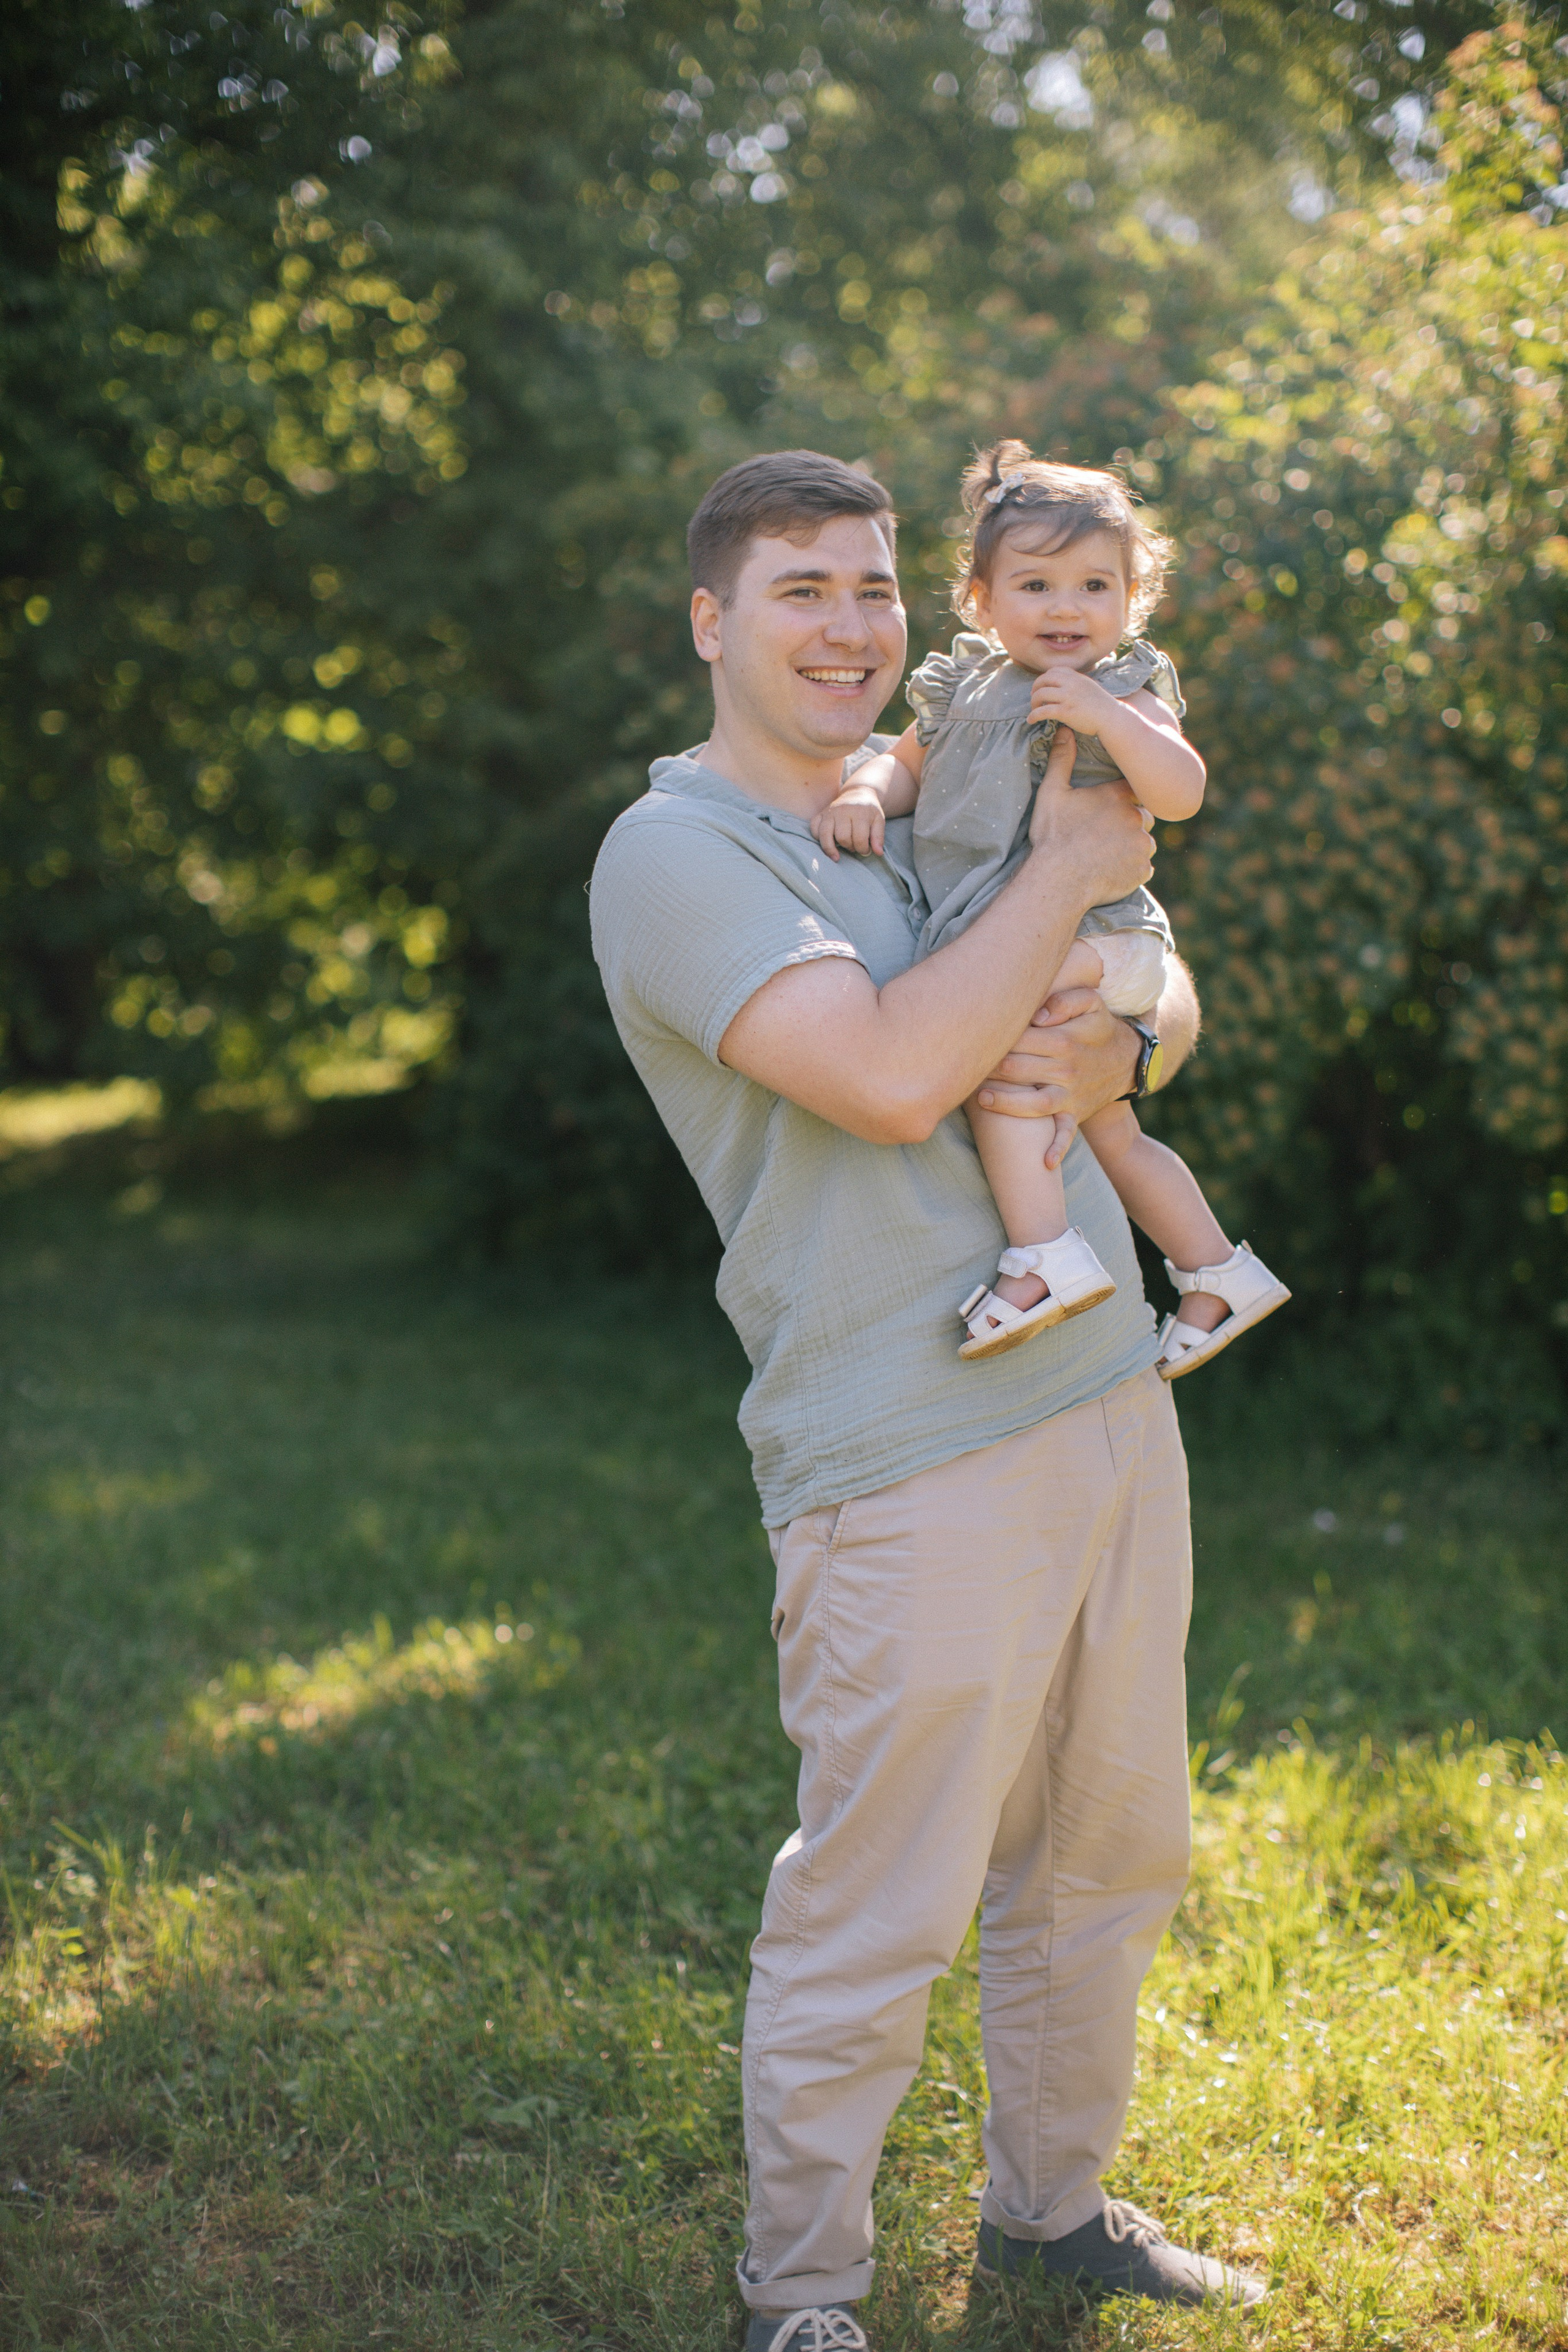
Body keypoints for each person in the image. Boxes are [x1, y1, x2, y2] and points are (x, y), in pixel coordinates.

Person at [589, 450, 1267, 2352]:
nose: (850, 626)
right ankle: (800, 2295)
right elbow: (893, 1074)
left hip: (1106, 1383)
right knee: (879, 1907)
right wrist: (1072, 871)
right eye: (802, 589)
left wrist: (1136, 1011)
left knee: (1108, 1858)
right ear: (713, 621)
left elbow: (1137, 994)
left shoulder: (956, 798)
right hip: (902, 1440)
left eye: (874, 588)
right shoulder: (684, 856)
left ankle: (1050, 2217)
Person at [812, 440, 1288, 1376]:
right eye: (1036, 586)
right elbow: (903, 765)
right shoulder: (964, 686)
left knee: (1004, 1062)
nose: (1067, 609)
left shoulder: (1125, 687)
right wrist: (866, 793)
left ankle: (1044, 1258)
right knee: (1109, 1124)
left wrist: (1111, 723)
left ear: (1130, 599)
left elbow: (1182, 790)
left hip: (1101, 941)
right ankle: (1216, 1269)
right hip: (1041, 937)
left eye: (1094, 587)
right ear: (982, 601)